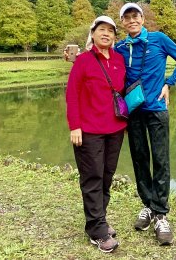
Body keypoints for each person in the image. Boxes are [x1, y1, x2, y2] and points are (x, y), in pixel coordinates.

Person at [114, 3, 176, 245]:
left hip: (157, 110)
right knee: (139, 159)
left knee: (160, 159)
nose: (132, 20)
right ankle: (148, 205)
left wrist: (169, 83)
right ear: (123, 23)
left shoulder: (158, 39)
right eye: (127, 18)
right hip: (133, 112)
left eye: (135, 16)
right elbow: (104, 64)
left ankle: (160, 213)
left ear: (143, 18)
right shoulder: (121, 47)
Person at [65, 15, 127, 253]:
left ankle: (97, 221)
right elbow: (72, 94)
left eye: (111, 31)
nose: (106, 34)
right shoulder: (83, 61)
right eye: (101, 30)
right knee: (92, 178)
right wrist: (75, 125)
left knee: (107, 176)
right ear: (92, 34)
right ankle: (98, 232)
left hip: (116, 129)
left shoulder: (119, 59)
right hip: (89, 131)